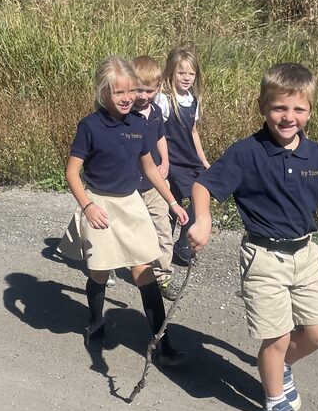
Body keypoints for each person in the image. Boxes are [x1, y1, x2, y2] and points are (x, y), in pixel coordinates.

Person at [188, 63, 318, 411]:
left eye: (299, 109)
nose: (288, 117)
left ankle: (279, 367)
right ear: (263, 107)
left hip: (306, 255)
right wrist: (203, 219)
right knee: (276, 337)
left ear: (310, 111)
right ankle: (274, 403)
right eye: (280, 107)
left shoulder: (316, 156)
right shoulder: (246, 153)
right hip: (263, 258)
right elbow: (204, 186)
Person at [59, 56, 189, 365]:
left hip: (131, 204)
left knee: (145, 272)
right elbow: (72, 173)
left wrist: (172, 202)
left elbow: (151, 169)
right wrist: (88, 206)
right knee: (100, 271)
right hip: (100, 205)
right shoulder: (90, 126)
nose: (128, 97)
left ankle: (161, 344)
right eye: (119, 92)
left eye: (131, 90)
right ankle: (95, 324)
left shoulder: (139, 125)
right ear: (103, 92)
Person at [156, 45, 210, 265]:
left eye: (191, 73)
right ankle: (163, 249)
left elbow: (193, 132)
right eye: (181, 73)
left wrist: (203, 160)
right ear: (171, 72)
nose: (186, 78)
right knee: (172, 204)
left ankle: (182, 243)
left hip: (190, 159)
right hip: (172, 160)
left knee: (200, 201)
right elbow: (158, 133)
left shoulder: (192, 100)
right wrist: (163, 161)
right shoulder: (164, 99)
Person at [131, 55, 178, 300]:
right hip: (130, 186)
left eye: (149, 91)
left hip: (155, 185)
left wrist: (165, 161)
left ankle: (163, 276)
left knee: (162, 229)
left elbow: (161, 138)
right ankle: (110, 266)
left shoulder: (156, 112)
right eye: (138, 89)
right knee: (127, 230)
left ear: (158, 88)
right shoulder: (125, 115)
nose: (143, 96)